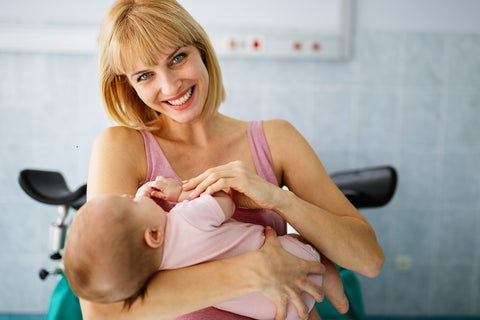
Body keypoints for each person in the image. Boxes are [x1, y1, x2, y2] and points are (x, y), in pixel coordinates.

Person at [83, 0, 385, 319]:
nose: (170, 86)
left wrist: (279, 200)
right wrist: (254, 270)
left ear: (201, 51)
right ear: (128, 85)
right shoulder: (120, 147)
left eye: (178, 57)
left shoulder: (276, 139)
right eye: (144, 75)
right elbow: (103, 312)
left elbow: (369, 260)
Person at [64, 176, 347, 320]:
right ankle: (335, 288)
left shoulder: (160, 271)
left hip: (272, 311)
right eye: (129, 202)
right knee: (305, 244)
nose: (131, 194)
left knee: (300, 311)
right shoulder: (187, 218)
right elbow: (224, 201)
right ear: (152, 235)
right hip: (293, 259)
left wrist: (144, 205)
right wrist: (182, 193)